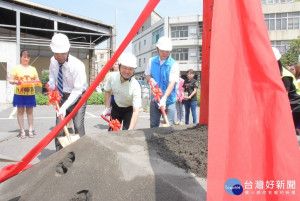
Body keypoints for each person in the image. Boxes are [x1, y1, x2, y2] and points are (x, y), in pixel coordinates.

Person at [47, 33, 88, 151]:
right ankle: (58, 155)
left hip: (78, 97)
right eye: (56, 53)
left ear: (68, 50)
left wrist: (64, 107)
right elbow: (52, 74)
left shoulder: (77, 65)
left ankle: (82, 152)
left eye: (63, 53)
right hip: (61, 96)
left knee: (78, 126)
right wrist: (51, 81)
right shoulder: (52, 60)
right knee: (59, 127)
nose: (59, 56)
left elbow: (77, 90)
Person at [145, 36, 179, 127]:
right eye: (162, 50)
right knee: (153, 125)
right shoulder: (151, 61)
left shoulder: (173, 64)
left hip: (169, 101)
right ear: (157, 49)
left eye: (167, 51)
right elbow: (147, 75)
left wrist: (164, 98)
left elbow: (172, 83)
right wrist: (150, 79)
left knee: (169, 126)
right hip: (155, 100)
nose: (165, 53)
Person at [101, 53, 141, 130]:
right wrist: (107, 108)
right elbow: (107, 92)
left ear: (133, 70)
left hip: (129, 110)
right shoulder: (112, 77)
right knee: (112, 133)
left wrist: (130, 129)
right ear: (119, 67)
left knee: (126, 134)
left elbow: (136, 111)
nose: (127, 71)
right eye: (124, 68)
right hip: (116, 108)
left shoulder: (136, 85)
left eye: (130, 69)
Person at [9, 50, 40, 139]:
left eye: (28, 57)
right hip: (19, 93)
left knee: (30, 112)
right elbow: (11, 80)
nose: (26, 58)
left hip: (30, 93)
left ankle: (30, 130)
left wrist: (35, 82)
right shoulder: (16, 68)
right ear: (21, 57)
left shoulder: (33, 69)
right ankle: (22, 131)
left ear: (29, 58)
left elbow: (37, 80)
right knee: (20, 112)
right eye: (24, 56)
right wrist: (16, 81)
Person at [273, 47, 300, 134]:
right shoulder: (278, 72)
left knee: (287, 132)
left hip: (295, 106)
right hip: (292, 105)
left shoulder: (285, 75)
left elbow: (283, 96)